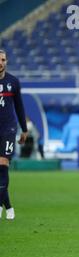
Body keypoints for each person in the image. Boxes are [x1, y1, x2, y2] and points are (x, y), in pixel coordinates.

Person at [0, 49, 28, 220]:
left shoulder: (13, 82)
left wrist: (24, 129)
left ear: (6, 61)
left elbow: (19, 106)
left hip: (8, 128)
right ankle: (8, 206)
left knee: (3, 164)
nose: (0, 62)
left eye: (3, 59)